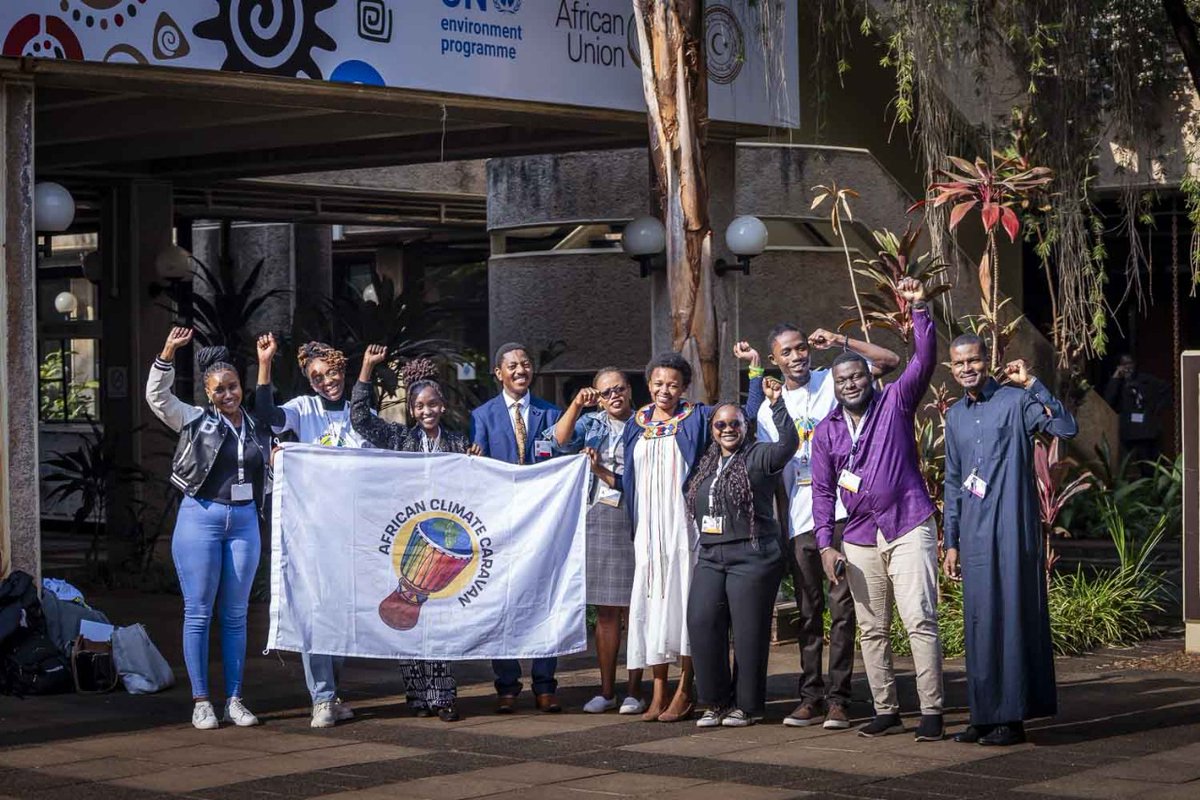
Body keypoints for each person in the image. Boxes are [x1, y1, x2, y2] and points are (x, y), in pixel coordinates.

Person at [811, 277, 945, 742]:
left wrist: (921, 310)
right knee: (871, 629)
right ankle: (886, 710)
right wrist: (826, 545)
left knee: (919, 621)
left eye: (856, 376)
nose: (850, 384)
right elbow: (823, 493)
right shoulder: (826, 432)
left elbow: (924, 360)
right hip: (860, 536)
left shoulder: (896, 402)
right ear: (834, 388)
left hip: (908, 524)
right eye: (841, 380)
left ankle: (931, 711)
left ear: (871, 378)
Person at [747, 325, 901, 730]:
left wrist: (839, 341)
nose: (797, 356)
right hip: (800, 520)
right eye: (787, 352)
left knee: (844, 611)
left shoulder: (832, 381)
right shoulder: (769, 408)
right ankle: (810, 697)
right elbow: (771, 472)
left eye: (800, 348)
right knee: (809, 612)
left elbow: (889, 362)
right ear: (776, 360)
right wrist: (780, 528)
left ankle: (839, 700)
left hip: (844, 516)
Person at [943, 337, 1077, 746]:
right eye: (959, 362)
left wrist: (1032, 382)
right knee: (980, 622)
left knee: (1014, 618)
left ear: (988, 361)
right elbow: (953, 481)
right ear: (952, 368)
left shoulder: (1016, 402)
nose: (967, 367)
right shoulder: (955, 418)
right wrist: (951, 541)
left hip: (1014, 528)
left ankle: (1012, 717)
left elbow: (1065, 426)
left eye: (974, 360)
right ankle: (983, 716)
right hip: (975, 531)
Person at [621, 346, 763, 722]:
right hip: (648, 532)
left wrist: (756, 374)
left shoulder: (698, 418)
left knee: (684, 606)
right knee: (652, 607)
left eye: (673, 384)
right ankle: (658, 691)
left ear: (684, 387)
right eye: (657, 383)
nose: (664, 390)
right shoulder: (636, 424)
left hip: (683, 528)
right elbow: (629, 480)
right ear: (648, 385)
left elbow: (743, 418)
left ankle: (685, 690)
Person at [145, 327, 269, 730]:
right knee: (198, 612)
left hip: (245, 521)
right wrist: (166, 350)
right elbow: (157, 398)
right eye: (219, 390)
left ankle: (234, 698)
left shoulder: (256, 425)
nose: (228, 395)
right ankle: (201, 701)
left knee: (235, 614)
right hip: (201, 517)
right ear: (207, 392)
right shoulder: (195, 419)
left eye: (232, 387)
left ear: (241, 386)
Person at [254, 333, 367, 728]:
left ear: (341, 368)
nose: (325, 382)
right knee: (315, 611)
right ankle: (320, 698)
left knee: (342, 612)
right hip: (313, 529)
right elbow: (267, 416)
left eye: (330, 373)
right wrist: (265, 363)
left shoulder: (359, 412)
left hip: (352, 529)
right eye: (316, 377)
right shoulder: (303, 409)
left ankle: (334, 693)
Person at [351, 345, 469, 722]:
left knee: (441, 621)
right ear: (412, 410)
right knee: (407, 618)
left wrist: (475, 464)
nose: (427, 411)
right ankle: (418, 696)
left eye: (433, 404)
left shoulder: (459, 443)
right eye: (420, 406)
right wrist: (367, 370)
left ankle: (444, 696)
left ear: (443, 405)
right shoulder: (401, 440)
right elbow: (360, 420)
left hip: (446, 543)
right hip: (406, 536)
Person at [685, 380, 798, 728]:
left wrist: (777, 405)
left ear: (745, 427)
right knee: (702, 622)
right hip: (711, 555)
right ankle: (716, 701)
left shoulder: (758, 455)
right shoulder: (706, 463)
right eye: (721, 424)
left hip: (753, 554)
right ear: (713, 430)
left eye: (735, 423)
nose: (728, 429)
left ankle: (747, 706)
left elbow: (788, 444)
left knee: (749, 632)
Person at [469, 342, 564, 713]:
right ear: (499, 372)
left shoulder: (550, 412)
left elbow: (560, 458)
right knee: (502, 604)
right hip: (500, 526)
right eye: (513, 365)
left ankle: (545, 685)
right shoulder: (482, 416)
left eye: (526, 364)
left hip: (541, 525)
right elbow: (476, 467)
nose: (521, 370)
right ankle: (506, 686)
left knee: (545, 600)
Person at [546, 368, 645, 715]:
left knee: (636, 611)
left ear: (630, 391)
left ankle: (635, 690)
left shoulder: (646, 423)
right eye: (606, 392)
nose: (613, 396)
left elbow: (640, 480)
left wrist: (601, 471)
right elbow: (555, 443)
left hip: (638, 516)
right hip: (600, 517)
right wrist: (576, 405)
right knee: (606, 611)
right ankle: (606, 691)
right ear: (598, 397)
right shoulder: (592, 423)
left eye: (619, 389)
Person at [1102, 354, 1169, 466]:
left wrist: (1156, 409)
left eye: (1130, 363)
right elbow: (1108, 401)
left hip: (1147, 430)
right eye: (1124, 364)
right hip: (1129, 432)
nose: (1127, 367)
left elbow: (1166, 389)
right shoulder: (1118, 383)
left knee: (1149, 462)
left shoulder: (1146, 380)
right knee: (1131, 463)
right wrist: (1115, 378)